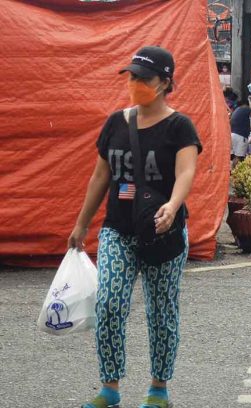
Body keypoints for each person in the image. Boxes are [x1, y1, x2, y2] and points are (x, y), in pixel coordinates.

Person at [67, 46, 202, 408]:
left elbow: (187, 170)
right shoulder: (115, 123)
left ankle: (158, 389)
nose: (135, 83)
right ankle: (109, 389)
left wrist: (172, 207)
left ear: (165, 83)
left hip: (164, 232)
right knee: (109, 303)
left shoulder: (180, 126)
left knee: (162, 310)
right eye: (132, 76)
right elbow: (100, 176)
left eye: (144, 78)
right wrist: (81, 224)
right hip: (118, 229)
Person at [230, 97, 251, 169]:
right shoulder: (245, 108)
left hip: (232, 135)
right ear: (246, 104)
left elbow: (237, 124)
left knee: (233, 157)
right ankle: (235, 175)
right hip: (241, 137)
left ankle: (231, 174)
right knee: (239, 157)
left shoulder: (235, 111)